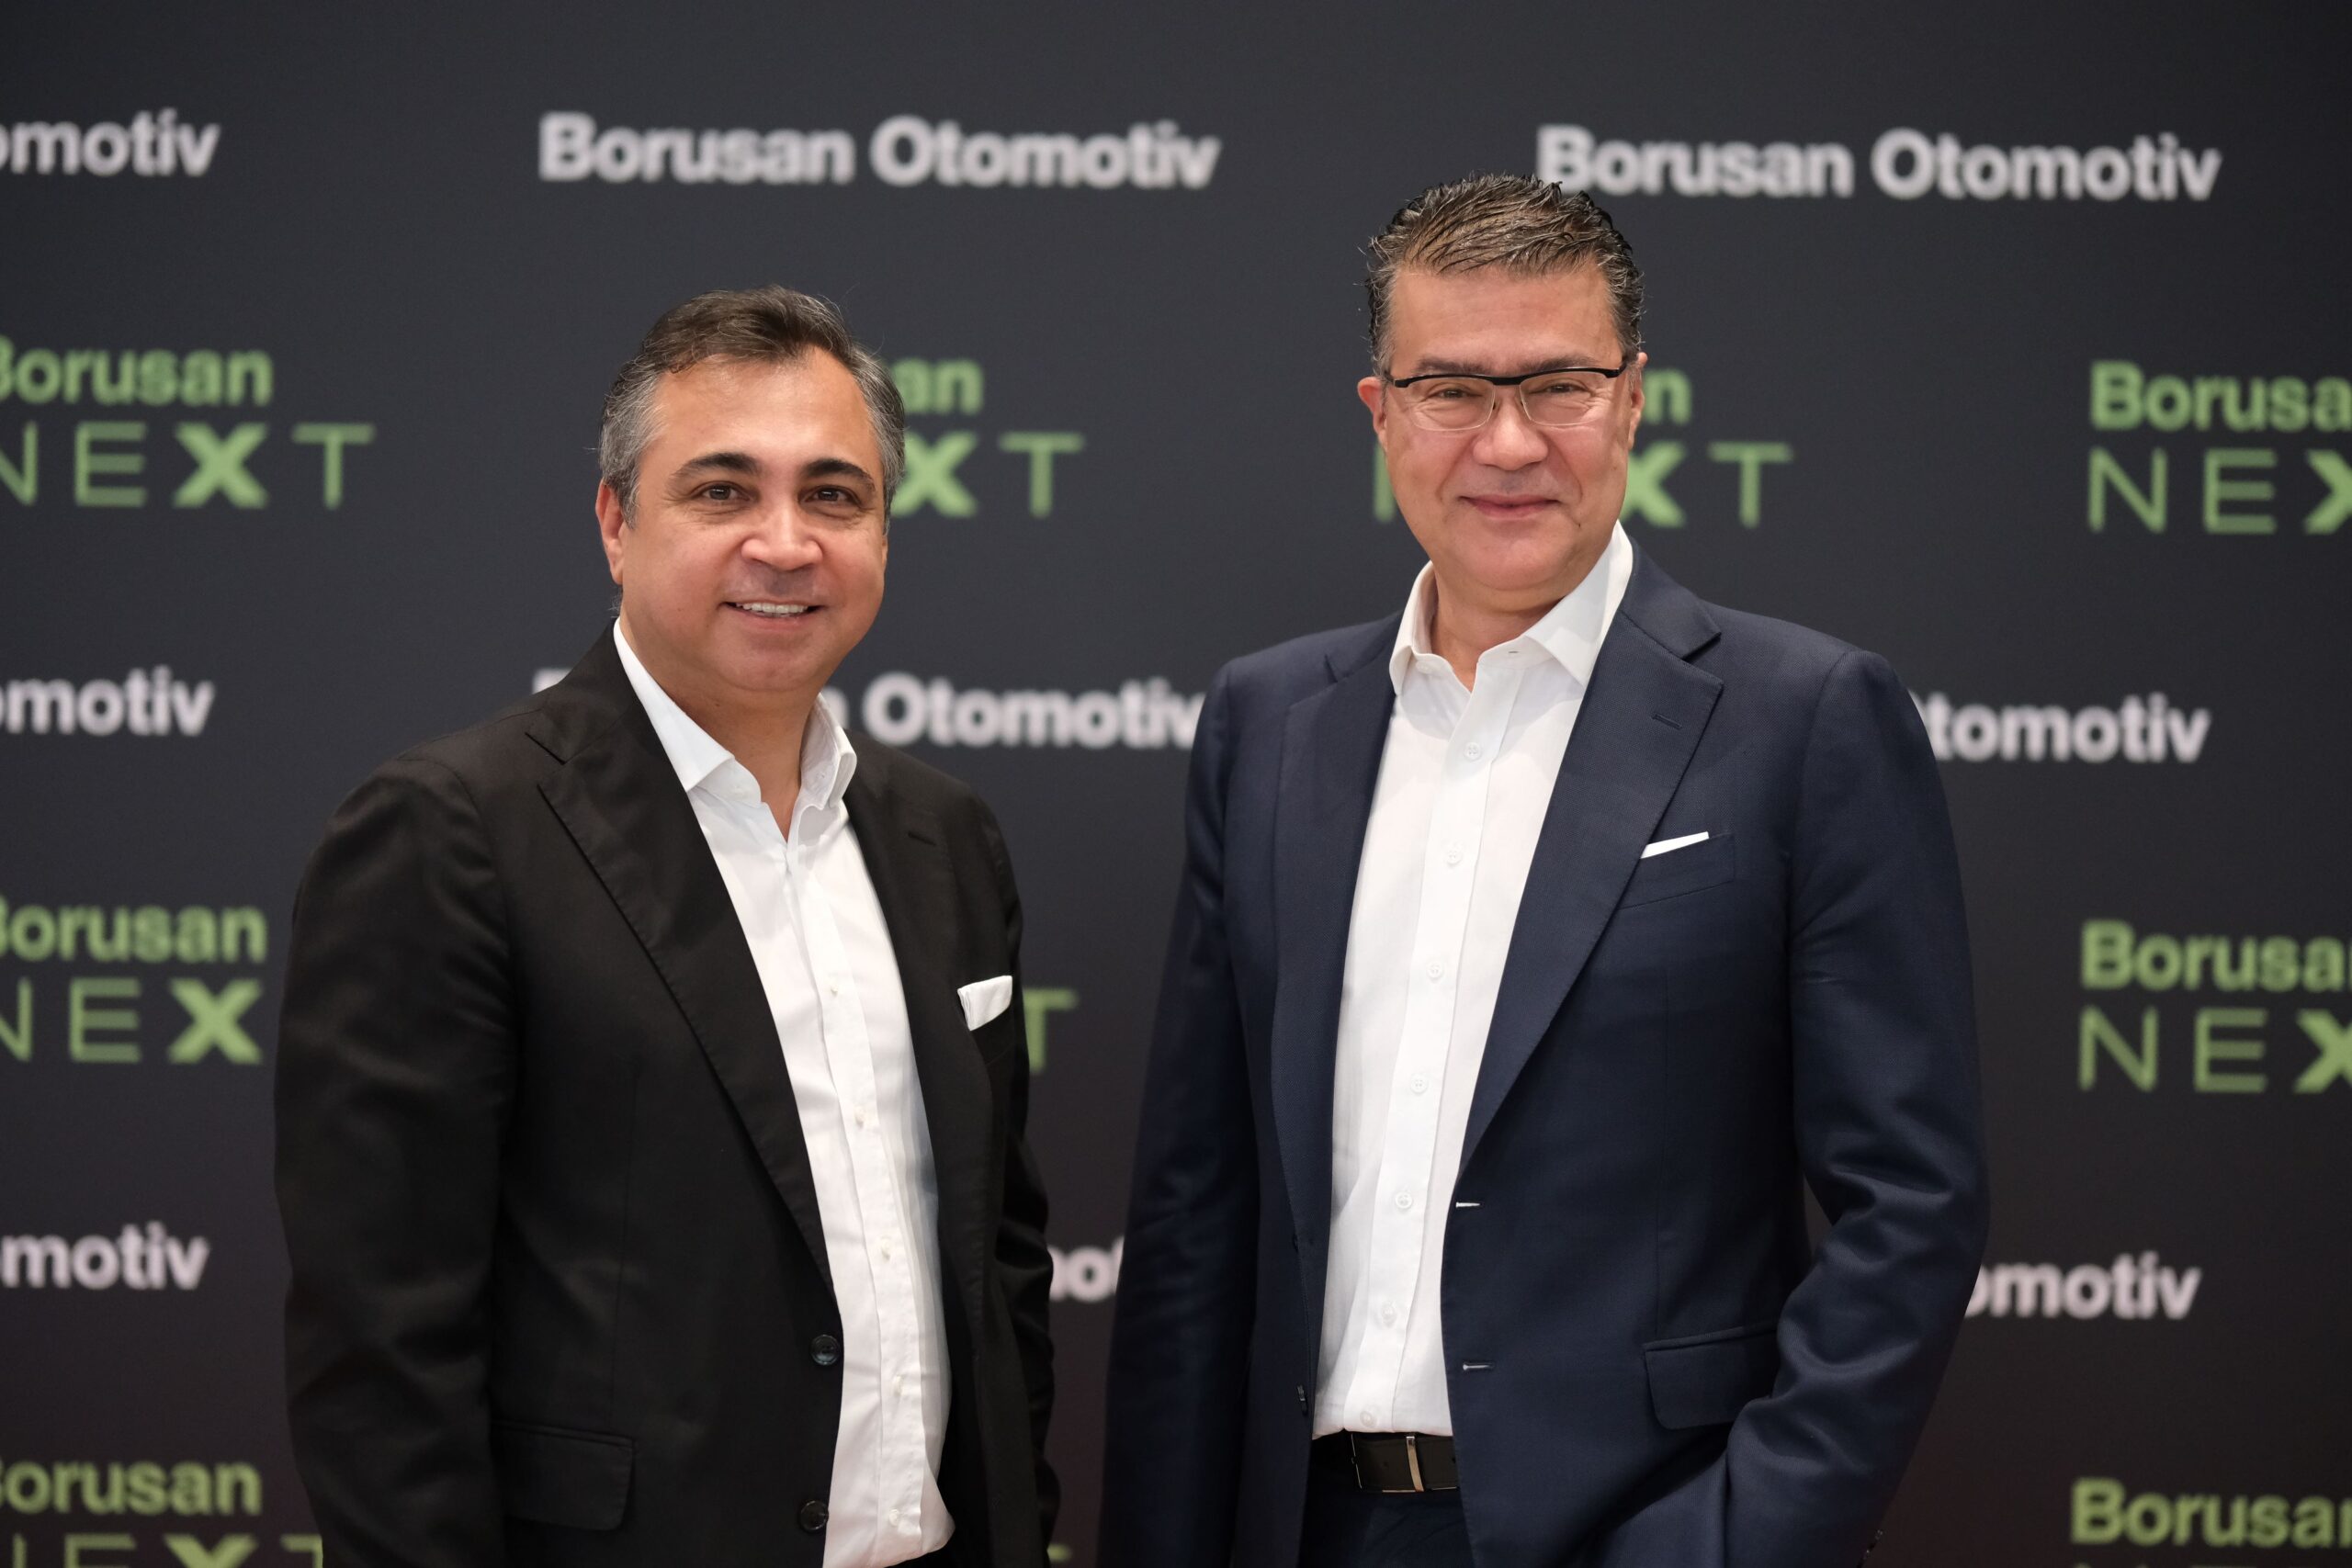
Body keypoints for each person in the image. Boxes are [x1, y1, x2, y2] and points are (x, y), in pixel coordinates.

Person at [1102, 175, 1987, 1568]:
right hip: (1307, 1529)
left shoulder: (1805, 721)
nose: (1507, 443)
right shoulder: (1268, 723)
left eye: (1558, 386)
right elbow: (1194, 1213)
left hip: (1646, 1527)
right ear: (1381, 415)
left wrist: (1737, 1543)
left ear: (1632, 402)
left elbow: (1912, 1206)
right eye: (1452, 390)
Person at [277, 287, 1056, 1567]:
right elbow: (382, 1348)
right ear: (615, 524)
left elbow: (998, 1264)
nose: (785, 543)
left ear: (883, 532)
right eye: (722, 491)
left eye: (835, 496)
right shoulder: (452, 831)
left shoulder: (945, 836)